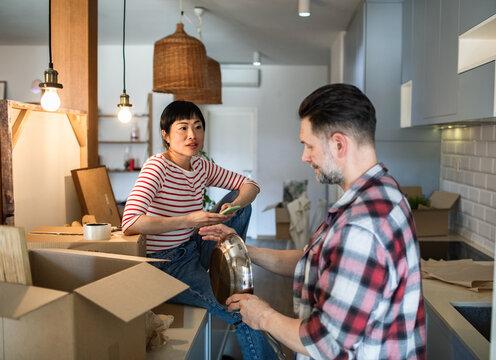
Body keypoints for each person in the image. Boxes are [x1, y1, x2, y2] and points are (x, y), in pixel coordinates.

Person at [199, 84, 426, 359]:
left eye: (309, 145)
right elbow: (316, 262)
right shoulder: (383, 191)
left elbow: (325, 343)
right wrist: (240, 249)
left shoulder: (361, 226)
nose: (304, 156)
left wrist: (263, 316)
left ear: (339, 144)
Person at [122, 100, 278, 360]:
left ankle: (226, 260)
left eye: (198, 127)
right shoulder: (156, 167)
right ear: (166, 135)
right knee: (241, 308)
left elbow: (250, 185)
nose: (192, 135)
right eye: (183, 128)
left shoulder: (200, 166)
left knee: (242, 205)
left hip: (194, 245)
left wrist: (234, 206)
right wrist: (188, 220)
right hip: (167, 264)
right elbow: (130, 222)